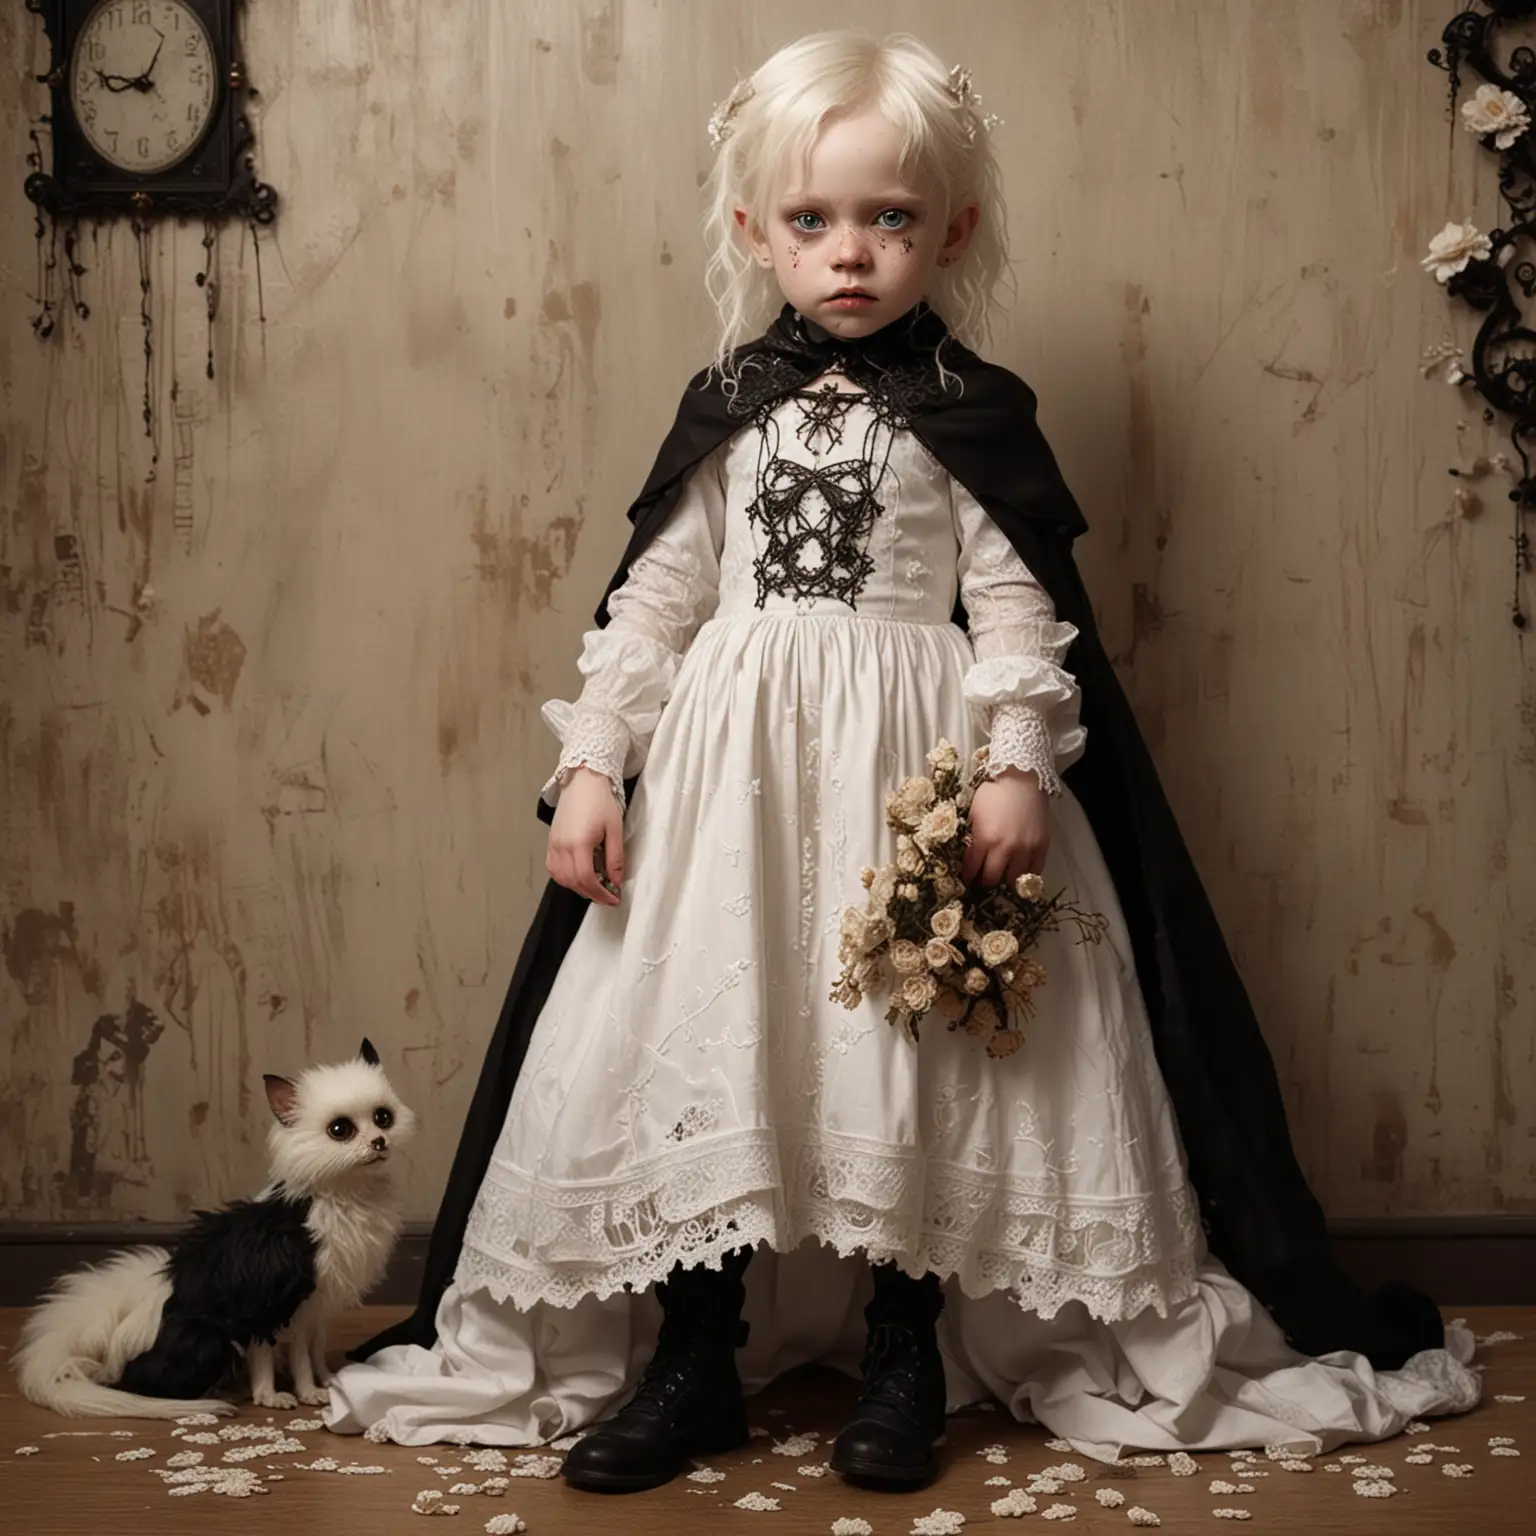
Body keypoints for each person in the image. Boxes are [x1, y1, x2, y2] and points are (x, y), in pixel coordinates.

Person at [324, 29, 1478, 1493]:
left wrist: (1009, 764)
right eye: (811, 220)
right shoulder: (730, 404)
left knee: (910, 1054)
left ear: (953, 231)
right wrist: (600, 765)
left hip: (904, 767)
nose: (850, 255)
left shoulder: (969, 415)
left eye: (889, 220)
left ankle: (902, 1349)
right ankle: (693, 1355)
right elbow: (657, 603)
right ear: (755, 229)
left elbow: (1012, 605)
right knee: (722, 1038)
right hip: (729, 784)